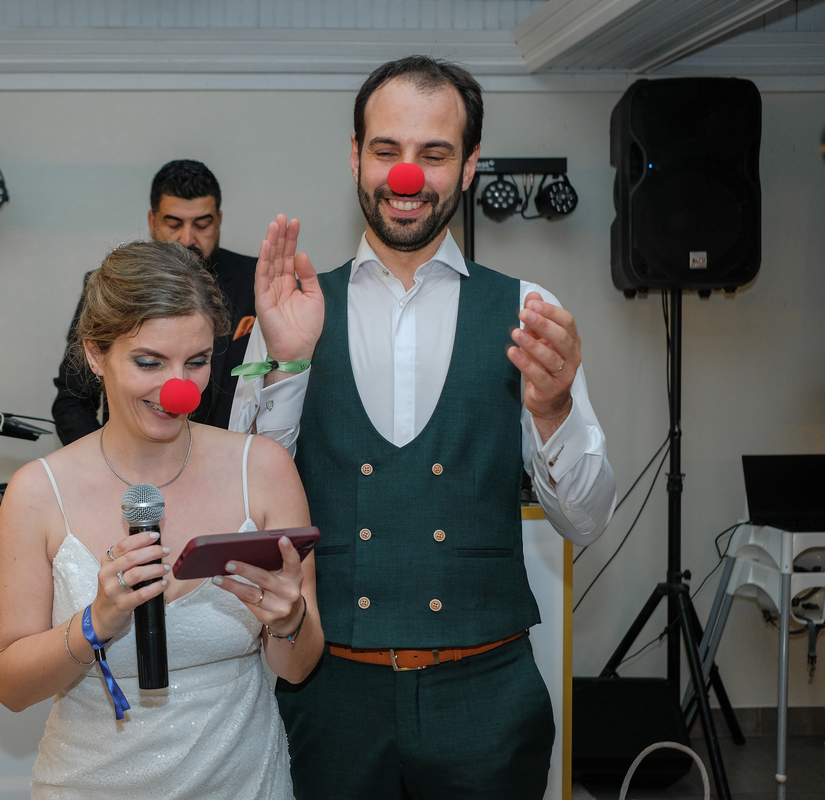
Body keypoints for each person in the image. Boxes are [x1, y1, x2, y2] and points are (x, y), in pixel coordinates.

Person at [230, 56, 617, 799]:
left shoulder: (528, 311)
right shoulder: (290, 311)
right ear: (355, 157)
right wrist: (288, 365)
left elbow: (587, 521)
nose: (406, 175)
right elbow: (245, 509)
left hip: (485, 695)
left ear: (469, 166)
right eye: (387, 150)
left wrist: (553, 410)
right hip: (330, 695)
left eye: (434, 153)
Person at [0, 240, 322, 800]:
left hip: (243, 784)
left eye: (196, 362)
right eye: (149, 362)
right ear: (96, 354)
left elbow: (296, 667)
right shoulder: (38, 491)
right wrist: (97, 621)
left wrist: (290, 620)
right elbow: (11, 687)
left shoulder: (263, 469)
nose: (178, 388)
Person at [51, 160, 258, 443]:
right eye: (174, 224)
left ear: (218, 220)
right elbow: (72, 400)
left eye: (202, 224)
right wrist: (102, 462)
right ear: (153, 221)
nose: (187, 238)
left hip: (225, 458)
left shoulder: (257, 281)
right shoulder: (114, 285)